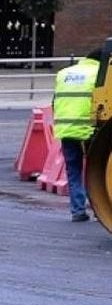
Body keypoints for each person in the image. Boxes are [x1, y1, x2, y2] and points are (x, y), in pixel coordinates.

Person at [52, 49, 102, 222]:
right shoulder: (101, 73)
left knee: (73, 170)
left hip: (67, 130)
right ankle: (100, 209)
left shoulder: (63, 74)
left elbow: (55, 102)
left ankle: (77, 210)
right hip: (91, 130)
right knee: (97, 171)